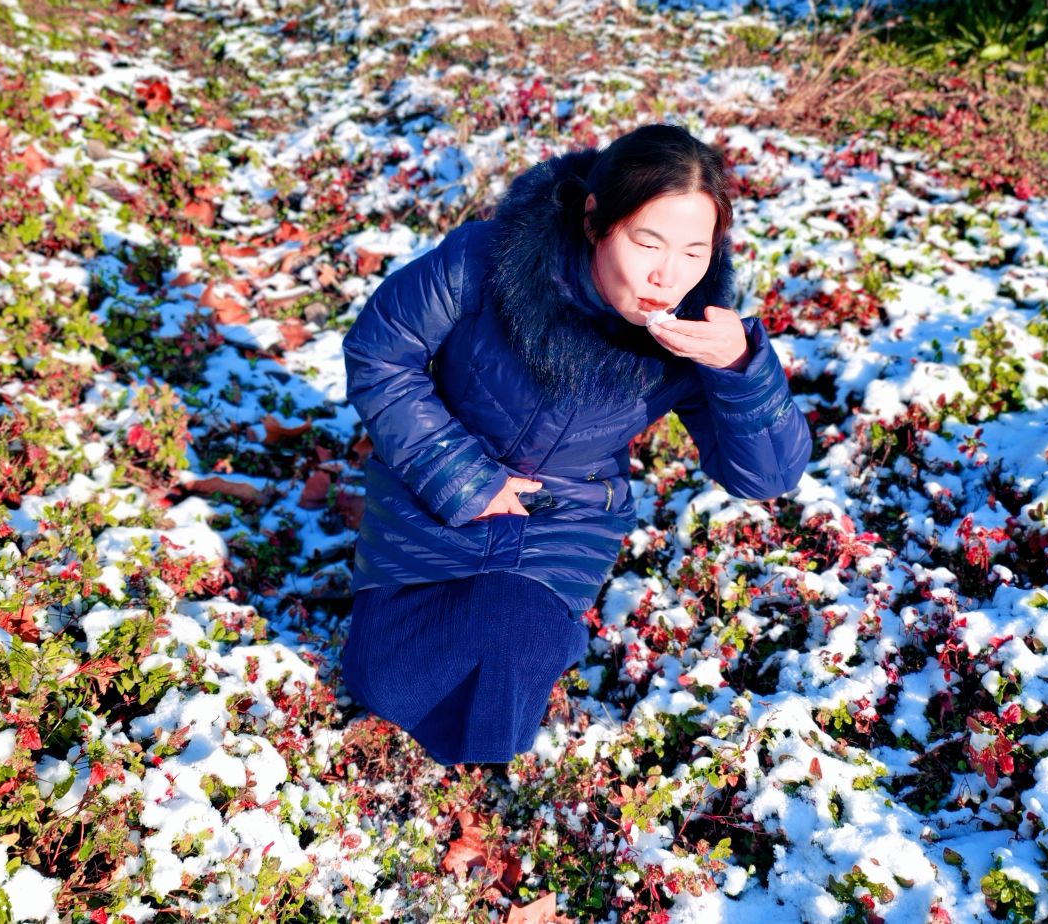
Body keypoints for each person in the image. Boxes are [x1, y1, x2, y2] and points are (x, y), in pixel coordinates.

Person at [337, 123, 812, 766]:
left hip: (562, 515)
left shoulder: (694, 330)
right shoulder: (487, 258)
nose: (668, 275)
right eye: (647, 242)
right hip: (434, 485)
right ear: (595, 220)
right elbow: (380, 353)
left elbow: (765, 477)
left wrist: (741, 368)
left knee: (510, 640)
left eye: (694, 252)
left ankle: (491, 743)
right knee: (382, 678)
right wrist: (464, 479)